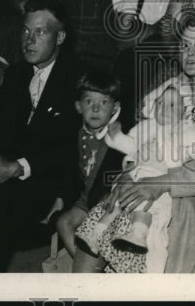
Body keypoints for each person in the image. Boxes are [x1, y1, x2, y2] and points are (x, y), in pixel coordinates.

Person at [73, 16, 195, 273]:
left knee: (139, 233)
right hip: (155, 178)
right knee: (101, 219)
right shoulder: (170, 88)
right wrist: (130, 172)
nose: (190, 52)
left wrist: (162, 182)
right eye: (184, 45)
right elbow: (147, 139)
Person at [0, 0, 82, 273]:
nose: (29, 40)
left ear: (59, 38)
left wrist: (14, 168)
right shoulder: (16, 74)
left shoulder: (78, 78)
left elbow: (70, 148)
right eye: (25, 31)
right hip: (12, 174)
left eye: (40, 32)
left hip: (55, 177)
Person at [52, 70, 125, 271]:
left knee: (95, 233)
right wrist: (60, 196)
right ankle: (87, 266)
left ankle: (90, 266)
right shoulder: (76, 135)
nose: (95, 109)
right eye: (88, 102)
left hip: (106, 202)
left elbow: (130, 165)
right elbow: (69, 169)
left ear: (115, 108)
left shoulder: (118, 136)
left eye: (103, 103)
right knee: (63, 223)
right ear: (78, 106)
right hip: (85, 200)